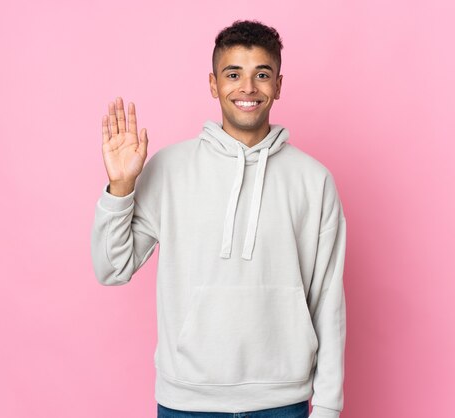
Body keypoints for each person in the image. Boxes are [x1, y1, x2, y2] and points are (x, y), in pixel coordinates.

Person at [90, 20, 347, 418]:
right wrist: (121, 187)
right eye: (233, 74)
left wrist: (328, 406)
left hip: (282, 402)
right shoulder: (169, 169)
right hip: (186, 402)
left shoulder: (314, 181)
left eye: (262, 74)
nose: (248, 88)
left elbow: (328, 298)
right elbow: (111, 268)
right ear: (213, 84)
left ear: (278, 85)